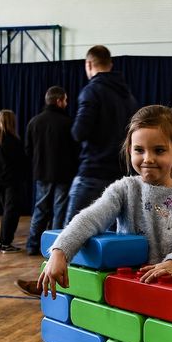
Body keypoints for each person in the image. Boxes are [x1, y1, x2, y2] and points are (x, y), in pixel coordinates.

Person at [39, 105, 172, 298]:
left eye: (159, 150)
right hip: (128, 291)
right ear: (129, 150)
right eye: (139, 150)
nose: (148, 158)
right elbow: (91, 218)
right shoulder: (124, 189)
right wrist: (60, 251)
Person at [64, 45, 138, 224]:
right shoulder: (128, 96)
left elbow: (79, 132)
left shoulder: (91, 91)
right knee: (111, 237)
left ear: (88, 64)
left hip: (93, 172)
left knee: (68, 235)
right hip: (119, 174)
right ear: (110, 65)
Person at [24, 86, 77, 255]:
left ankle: (32, 245)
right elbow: (75, 150)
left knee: (40, 209)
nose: (67, 103)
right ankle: (54, 249)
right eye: (65, 100)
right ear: (59, 101)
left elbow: (28, 149)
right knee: (59, 210)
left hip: (42, 173)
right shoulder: (68, 123)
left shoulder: (34, 121)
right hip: (63, 173)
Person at [0, 110, 26, 253]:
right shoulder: (11, 140)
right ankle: (4, 242)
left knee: (8, 211)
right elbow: (20, 161)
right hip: (12, 181)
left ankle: (3, 241)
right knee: (12, 212)